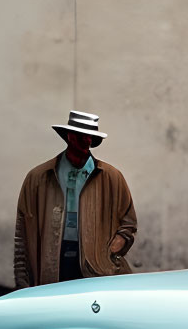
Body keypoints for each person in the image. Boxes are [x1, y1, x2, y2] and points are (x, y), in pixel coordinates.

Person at [13, 111, 137, 288]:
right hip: (51, 270)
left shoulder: (112, 178)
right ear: (69, 136)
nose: (87, 141)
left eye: (90, 136)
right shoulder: (38, 178)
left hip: (96, 271)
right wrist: (22, 282)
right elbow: (22, 234)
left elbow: (129, 224)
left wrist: (106, 253)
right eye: (82, 136)